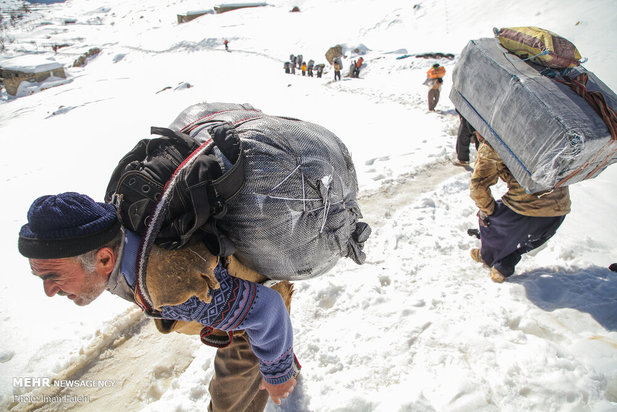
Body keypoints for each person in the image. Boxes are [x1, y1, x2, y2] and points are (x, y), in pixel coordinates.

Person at [17, 192, 299, 411]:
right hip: (239, 293)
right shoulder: (116, 228)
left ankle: (281, 366)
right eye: (40, 276)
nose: (49, 291)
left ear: (104, 258)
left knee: (229, 402)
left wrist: (278, 374)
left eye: (54, 276)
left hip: (255, 308)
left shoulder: (176, 288)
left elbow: (267, 309)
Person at [469, 133, 571, 282]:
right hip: (558, 211)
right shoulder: (545, 134)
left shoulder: (492, 141)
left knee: (487, 218)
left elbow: (478, 187)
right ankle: (503, 264)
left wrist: (487, 211)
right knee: (522, 235)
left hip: (526, 212)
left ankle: (488, 256)